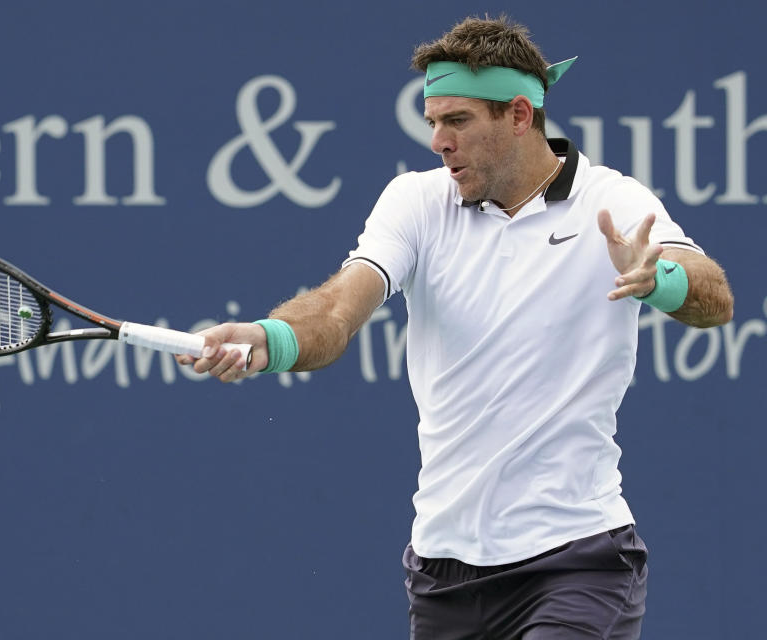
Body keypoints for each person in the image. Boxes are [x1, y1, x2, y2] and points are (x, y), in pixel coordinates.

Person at [178, 15, 733, 640]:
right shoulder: (415, 201)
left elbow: (714, 298)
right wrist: (268, 337)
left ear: (519, 116)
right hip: (443, 573)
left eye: (458, 121)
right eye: (433, 122)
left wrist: (663, 280)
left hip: (576, 561)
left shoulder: (613, 200)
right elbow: (337, 310)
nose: (439, 141)